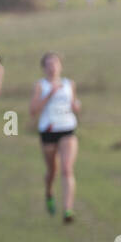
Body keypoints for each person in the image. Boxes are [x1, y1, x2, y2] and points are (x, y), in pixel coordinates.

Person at [30, 52, 80, 223]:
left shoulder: (69, 84)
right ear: (44, 68)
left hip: (67, 128)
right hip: (48, 130)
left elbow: (75, 104)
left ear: (61, 66)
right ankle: (49, 192)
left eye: (55, 63)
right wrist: (49, 95)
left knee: (67, 168)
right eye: (49, 64)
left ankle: (68, 210)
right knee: (53, 170)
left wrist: (76, 106)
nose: (52, 67)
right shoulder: (40, 85)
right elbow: (33, 110)